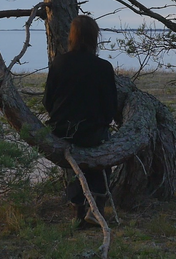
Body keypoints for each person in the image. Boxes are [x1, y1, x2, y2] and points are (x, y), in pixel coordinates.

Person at [43, 15, 119, 227]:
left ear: (72, 37)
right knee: (100, 159)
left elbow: (47, 101)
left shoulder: (59, 63)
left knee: (74, 164)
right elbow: (110, 107)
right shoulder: (103, 67)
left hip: (62, 130)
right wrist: (102, 121)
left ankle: (78, 210)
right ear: (95, 37)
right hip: (92, 131)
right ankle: (97, 207)